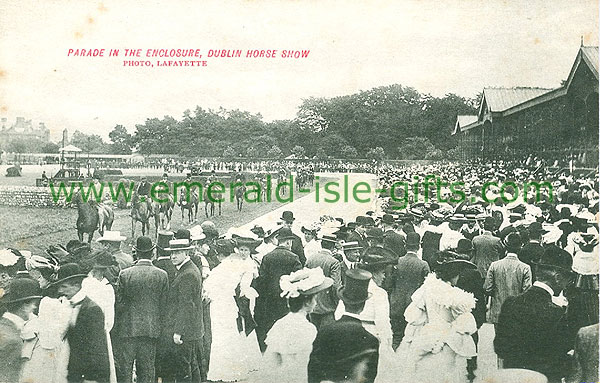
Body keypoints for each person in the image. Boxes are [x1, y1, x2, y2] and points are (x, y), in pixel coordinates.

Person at [493, 246, 573, 383]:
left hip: (514, 377)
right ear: (558, 278)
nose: (567, 285)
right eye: (568, 279)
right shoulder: (557, 313)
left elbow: (500, 347)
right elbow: (558, 360)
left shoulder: (511, 303)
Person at [396, 259, 478, 383]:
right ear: (453, 275)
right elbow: (467, 325)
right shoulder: (455, 295)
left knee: (425, 371)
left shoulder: (427, 288)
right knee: (447, 371)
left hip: (428, 333)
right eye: (458, 274)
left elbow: (415, 317)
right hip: (447, 337)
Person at [255, 268, 333, 383]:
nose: (316, 302)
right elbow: (303, 365)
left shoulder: (280, 323)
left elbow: (270, 362)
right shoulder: (307, 328)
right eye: (315, 298)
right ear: (307, 302)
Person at [203, 237, 261, 382]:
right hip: (229, 303)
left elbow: (209, 288)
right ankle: (234, 368)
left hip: (220, 304)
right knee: (230, 334)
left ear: (219, 253)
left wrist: (209, 295)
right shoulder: (235, 266)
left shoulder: (221, 269)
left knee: (220, 336)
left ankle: (223, 370)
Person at [308, 269, 380, 383]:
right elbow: (369, 377)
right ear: (363, 305)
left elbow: (313, 369)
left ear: (343, 300)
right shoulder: (371, 340)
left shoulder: (325, 331)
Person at [115, 236, 168, 383]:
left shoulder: (125, 274)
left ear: (136, 253)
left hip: (128, 330)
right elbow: (164, 306)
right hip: (151, 330)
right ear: (152, 253)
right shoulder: (162, 275)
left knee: (125, 370)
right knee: (147, 370)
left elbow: (119, 304)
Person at [51, 263, 111, 383]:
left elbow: (97, 348)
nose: (60, 291)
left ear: (76, 285)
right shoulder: (69, 306)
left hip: (89, 376)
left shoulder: (92, 309)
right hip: (75, 374)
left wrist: (92, 378)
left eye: (64, 287)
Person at [159, 239, 204, 383]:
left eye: (177, 253)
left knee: (184, 367)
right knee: (191, 365)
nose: (173, 256)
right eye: (172, 253)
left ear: (186, 253)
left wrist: (178, 331)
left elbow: (186, 306)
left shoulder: (187, 274)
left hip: (185, 331)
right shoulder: (188, 269)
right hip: (192, 329)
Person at [254, 228, 302, 352]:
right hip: (287, 302)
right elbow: (298, 282)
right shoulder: (294, 258)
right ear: (288, 242)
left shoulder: (267, 257)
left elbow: (262, 281)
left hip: (269, 302)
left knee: (270, 331)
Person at [389, 232, 430, 349]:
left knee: (396, 337)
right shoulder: (423, 264)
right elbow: (427, 287)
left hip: (396, 304)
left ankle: (393, 362)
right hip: (414, 308)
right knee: (412, 340)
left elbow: (389, 284)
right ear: (419, 245)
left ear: (405, 245)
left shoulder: (396, 262)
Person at [483, 232, 532, 328]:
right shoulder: (525, 268)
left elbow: (487, 288)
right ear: (520, 247)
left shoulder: (495, 265)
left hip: (498, 311)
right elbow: (527, 291)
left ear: (505, 247)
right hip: (516, 313)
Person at [0, 278, 43, 383]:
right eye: (33, 304)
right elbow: (7, 378)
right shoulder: (13, 340)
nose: (34, 307)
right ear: (24, 306)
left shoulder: (4, 326)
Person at [305, 235, 342, 329]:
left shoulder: (311, 258)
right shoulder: (334, 262)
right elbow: (336, 285)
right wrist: (337, 303)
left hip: (312, 304)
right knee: (326, 338)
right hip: (328, 307)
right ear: (333, 247)